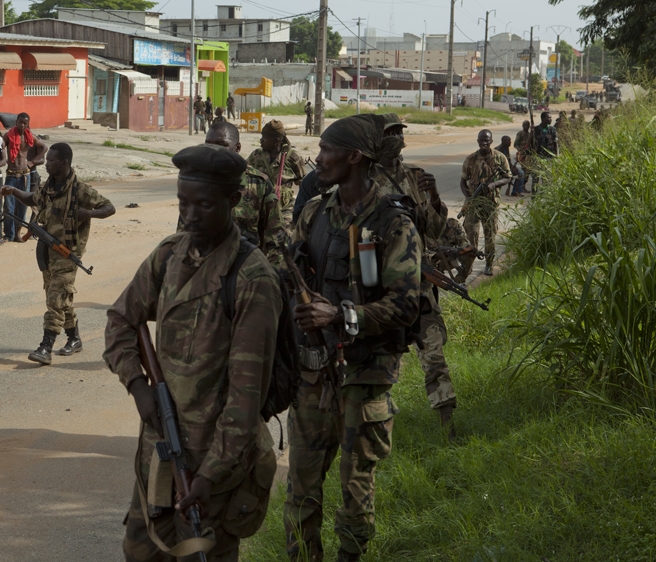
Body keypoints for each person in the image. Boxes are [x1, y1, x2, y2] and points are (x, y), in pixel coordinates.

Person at [104, 143, 281, 562]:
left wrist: (209, 476)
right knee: (141, 550)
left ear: (234, 201)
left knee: (201, 554)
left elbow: (245, 398)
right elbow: (120, 322)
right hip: (160, 448)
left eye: (203, 205)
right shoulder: (170, 254)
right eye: (183, 202)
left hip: (214, 461)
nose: (190, 215)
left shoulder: (252, 278)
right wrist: (138, 386)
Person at [284, 114, 421, 562]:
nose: (318, 159)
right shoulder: (314, 212)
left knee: (355, 491)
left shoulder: (393, 224)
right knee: (300, 491)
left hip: (365, 374)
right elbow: (288, 271)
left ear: (355, 158)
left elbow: (407, 305)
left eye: (326, 151)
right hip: (314, 374)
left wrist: (342, 315)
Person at [373, 114, 457, 432]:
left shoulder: (415, 177)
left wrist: (434, 198)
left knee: (433, 353)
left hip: (420, 284)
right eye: (389, 133)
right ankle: (378, 426)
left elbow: (435, 229)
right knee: (382, 358)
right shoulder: (363, 181)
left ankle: (447, 422)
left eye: (399, 132)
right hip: (383, 287)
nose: (396, 137)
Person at [3, 143, 115, 365]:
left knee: (55, 299)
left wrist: (88, 213)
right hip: (46, 251)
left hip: (66, 253)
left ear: (63, 163)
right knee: (60, 298)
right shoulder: (49, 188)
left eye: (51, 160)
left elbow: (109, 208)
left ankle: (45, 347)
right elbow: (33, 199)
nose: (47, 164)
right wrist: (14, 191)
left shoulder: (81, 191)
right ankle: (74, 338)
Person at [176, 121, 288, 268]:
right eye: (208, 144)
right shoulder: (197, 183)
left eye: (221, 145)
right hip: (204, 271)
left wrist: (275, 277)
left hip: (246, 272)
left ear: (237, 148)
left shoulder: (258, 183)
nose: (213, 151)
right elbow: (183, 236)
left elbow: (275, 238)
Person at [458, 129, 512, 278]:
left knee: (490, 236)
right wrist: (469, 197)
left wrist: (495, 184)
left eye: (486, 141)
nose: (483, 143)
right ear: (477, 141)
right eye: (481, 140)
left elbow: (508, 177)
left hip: (490, 204)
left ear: (491, 142)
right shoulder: (471, 159)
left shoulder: (500, 158)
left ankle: (489, 264)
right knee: (471, 235)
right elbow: (463, 181)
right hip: (473, 204)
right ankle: (468, 266)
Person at [247, 119, 305, 227]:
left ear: (276, 141)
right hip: (259, 207)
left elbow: (304, 186)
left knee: (283, 235)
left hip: (284, 210)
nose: (261, 140)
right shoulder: (256, 156)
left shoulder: (293, 157)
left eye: (264, 138)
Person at [2, 112, 47, 242]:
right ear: (16, 122)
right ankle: (8, 234)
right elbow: (0, 147)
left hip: (25, 175)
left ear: (28, 124)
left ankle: (17, 233)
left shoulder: (29, 136)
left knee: (22, 206)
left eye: (25, 123)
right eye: (20, 122)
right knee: (9, 206)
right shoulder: (9, 135)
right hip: (11, 174)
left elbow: (44, 147)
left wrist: (32, 161)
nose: (22, 125)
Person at [513, 120, 532, 195]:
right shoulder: (520, 133)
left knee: (528, 171)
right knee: (525, 170)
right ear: (522, 125)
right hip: (523, 155)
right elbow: (515, 144)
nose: (526, 126)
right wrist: (520, 150)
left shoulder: (529, 134)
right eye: (525, 125)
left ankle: (523, 186)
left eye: (528, 125)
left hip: (529, 155)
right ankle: (521, 187)